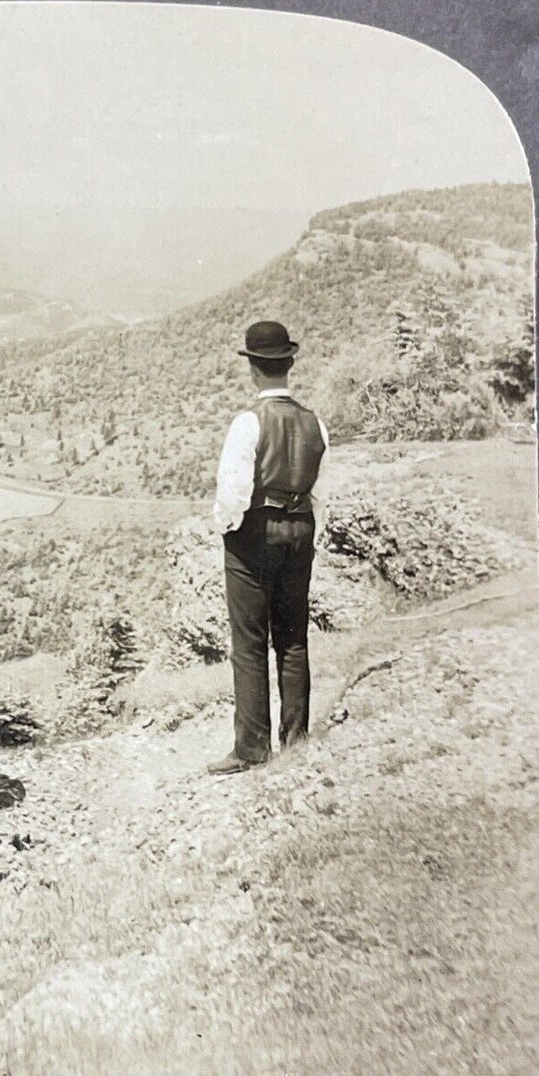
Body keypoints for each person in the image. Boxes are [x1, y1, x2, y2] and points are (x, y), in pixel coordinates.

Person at [207, 320, 330, 775]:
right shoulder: (315, 422)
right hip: (301, 530)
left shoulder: (248, 422)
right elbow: (322, 488)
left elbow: (233, 491)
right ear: (288, 364)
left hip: (255, 532)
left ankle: (252, 748)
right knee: (293, 637)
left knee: (250, 641)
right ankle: (296, 739)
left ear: (253, 369)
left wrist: (228, 528)